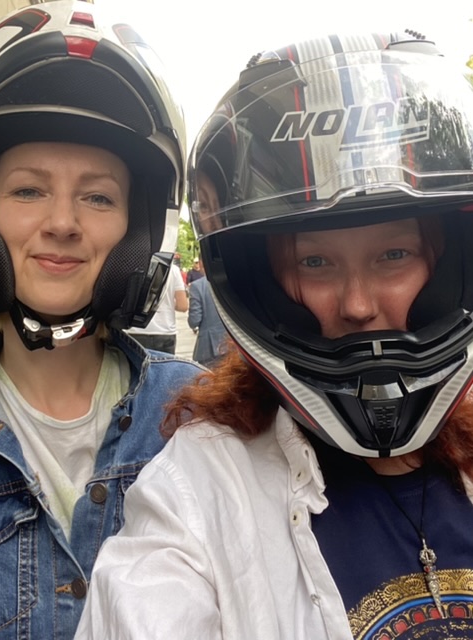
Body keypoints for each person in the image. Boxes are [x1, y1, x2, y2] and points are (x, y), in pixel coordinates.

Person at [84, 31, 473, 639]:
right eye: (315, 262)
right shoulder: (201, 491)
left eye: (393, 255)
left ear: (446, 268)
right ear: (264, 286)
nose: (358, 304)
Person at [0, 2, 202, 638]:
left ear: (138, 231)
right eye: (28, 190)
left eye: (98, 196)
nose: (62, 222)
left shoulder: (199, 416)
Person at [126, 261, 188, 353]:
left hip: (134, 330)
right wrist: (168, 304)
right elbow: (183, 306)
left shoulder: (133, 266)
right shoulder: (173, 270)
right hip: (165, 331)